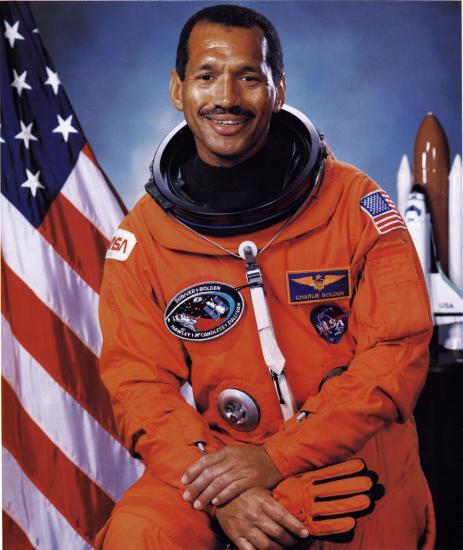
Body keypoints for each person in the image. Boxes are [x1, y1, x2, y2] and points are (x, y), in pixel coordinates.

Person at [95, 4, 435, 549]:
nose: (226, 97)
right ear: (177, 89)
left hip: (351, 452)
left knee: (362, 519)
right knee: (142, 534)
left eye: (248, 77)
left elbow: (396, 351)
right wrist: (220, 485)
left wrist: (278, 457)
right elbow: (139, 386)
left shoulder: (353, 204)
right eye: (206, 76)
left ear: (277, 89)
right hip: (217, 459)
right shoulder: (145, 239)